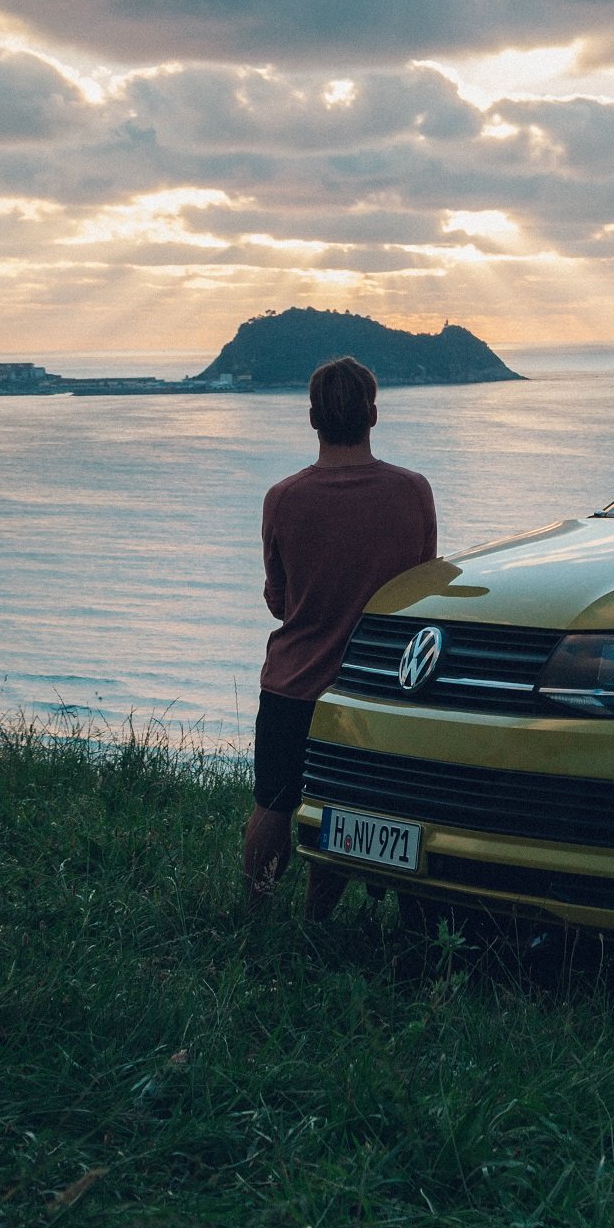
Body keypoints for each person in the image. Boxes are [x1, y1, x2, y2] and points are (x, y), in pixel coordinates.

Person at [244, 354, 437, 907]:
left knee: (273, 804)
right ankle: (317, 918)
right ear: (373, 415)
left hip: (293, 684)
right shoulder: (413, 491)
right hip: (376, 688)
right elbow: (418, 592)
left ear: (312, 419)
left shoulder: (283, 498)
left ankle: (256, 911)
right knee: (347, 807)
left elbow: (279, 603)